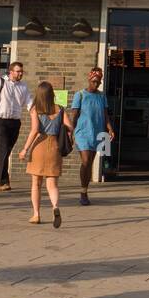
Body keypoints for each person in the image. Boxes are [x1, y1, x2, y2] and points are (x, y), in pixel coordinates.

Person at [20, 81, 71, 227]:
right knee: (52, 183)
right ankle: (55, 207)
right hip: (54, 147)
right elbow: (70, 127)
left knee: (36, 183)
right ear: (52, 94)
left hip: (39, 147)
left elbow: (35, 130)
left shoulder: (35, 109)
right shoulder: (60, 109)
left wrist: (25, 149)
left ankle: (36, 214)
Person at [68, 67, 113, 206]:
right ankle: (83, 192)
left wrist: (110, 129)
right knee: (86, 161)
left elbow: (105, 115)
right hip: (82, 132)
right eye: (94, 81)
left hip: (97, 133)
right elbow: (74, 114)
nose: (96, 83)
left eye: (98, 81)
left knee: (90, 164)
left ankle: (84, 190)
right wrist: (71, 131)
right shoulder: (80, 95)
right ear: (89, 79)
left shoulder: (102, 96)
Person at [0, 62, 29, 192]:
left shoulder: (23, 86)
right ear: (11, 71)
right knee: (3, 151)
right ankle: (0, 181)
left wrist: (36, 113)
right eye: (18, 71)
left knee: (6, 152)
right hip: (0, 121)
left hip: (15, 122)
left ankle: (0, 180)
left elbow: (29, 102)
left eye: (21, 71)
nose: (20, 74)